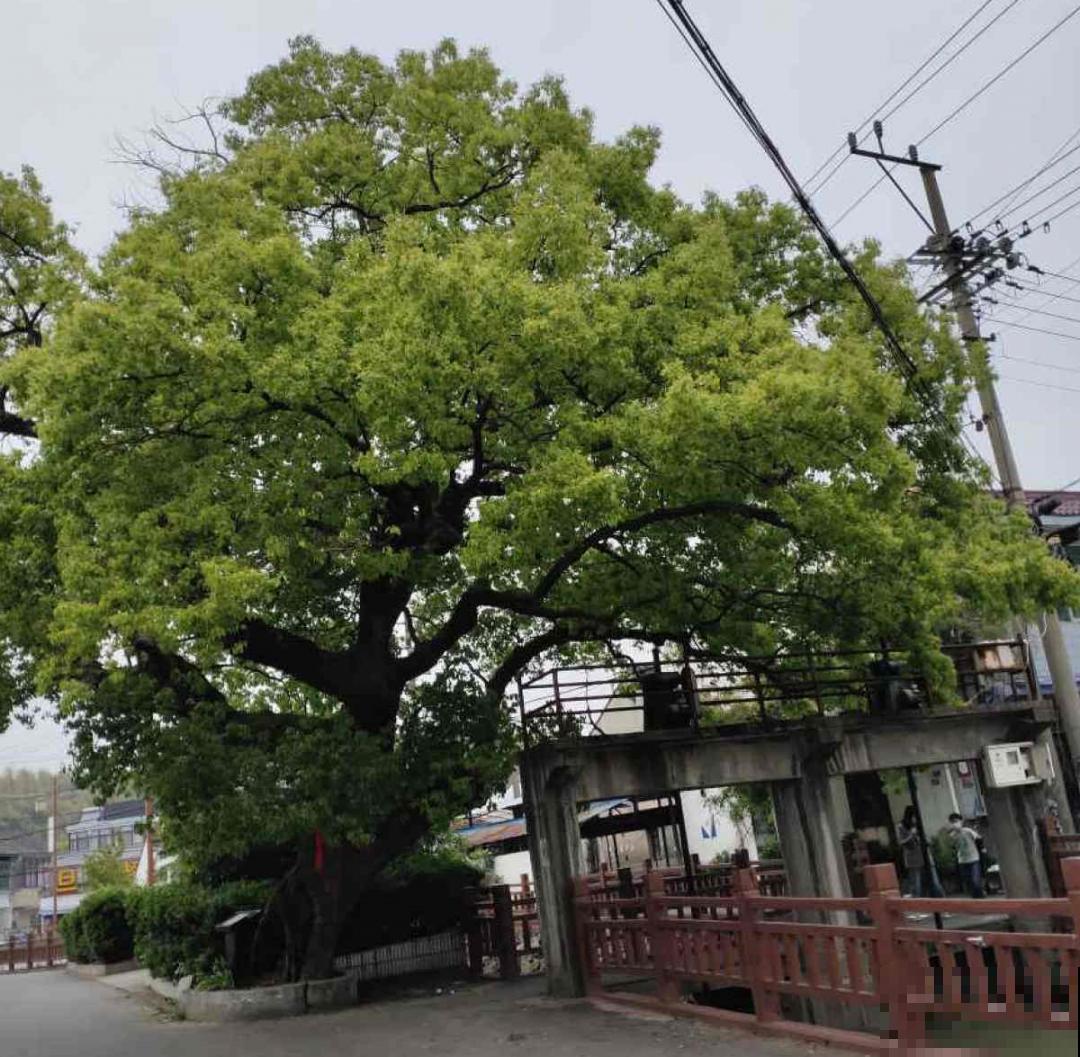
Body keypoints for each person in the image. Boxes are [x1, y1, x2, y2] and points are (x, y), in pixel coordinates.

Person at [896, 806, 942, 898]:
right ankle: (917, 903)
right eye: (913, 816)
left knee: (935, 882)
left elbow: (926, 838)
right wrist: (911, 834)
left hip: (925, 854)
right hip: (913, 857)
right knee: (916, 884)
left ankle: (941, 900)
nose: (915, 819)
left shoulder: (919, 824)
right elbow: (901, 842)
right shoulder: (902, 826)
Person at [947, 812, 985, 898]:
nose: (955, 824)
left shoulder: (968, 831)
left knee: (976, 881)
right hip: (963, 860)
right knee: (969, 882)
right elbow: (952, 847)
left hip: (973, 858)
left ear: (961, 821)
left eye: (956, 821)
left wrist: (982, 849)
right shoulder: (952, 835)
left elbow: (979, 838)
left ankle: (981, 898)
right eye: (953, 822)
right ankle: (975, 899)